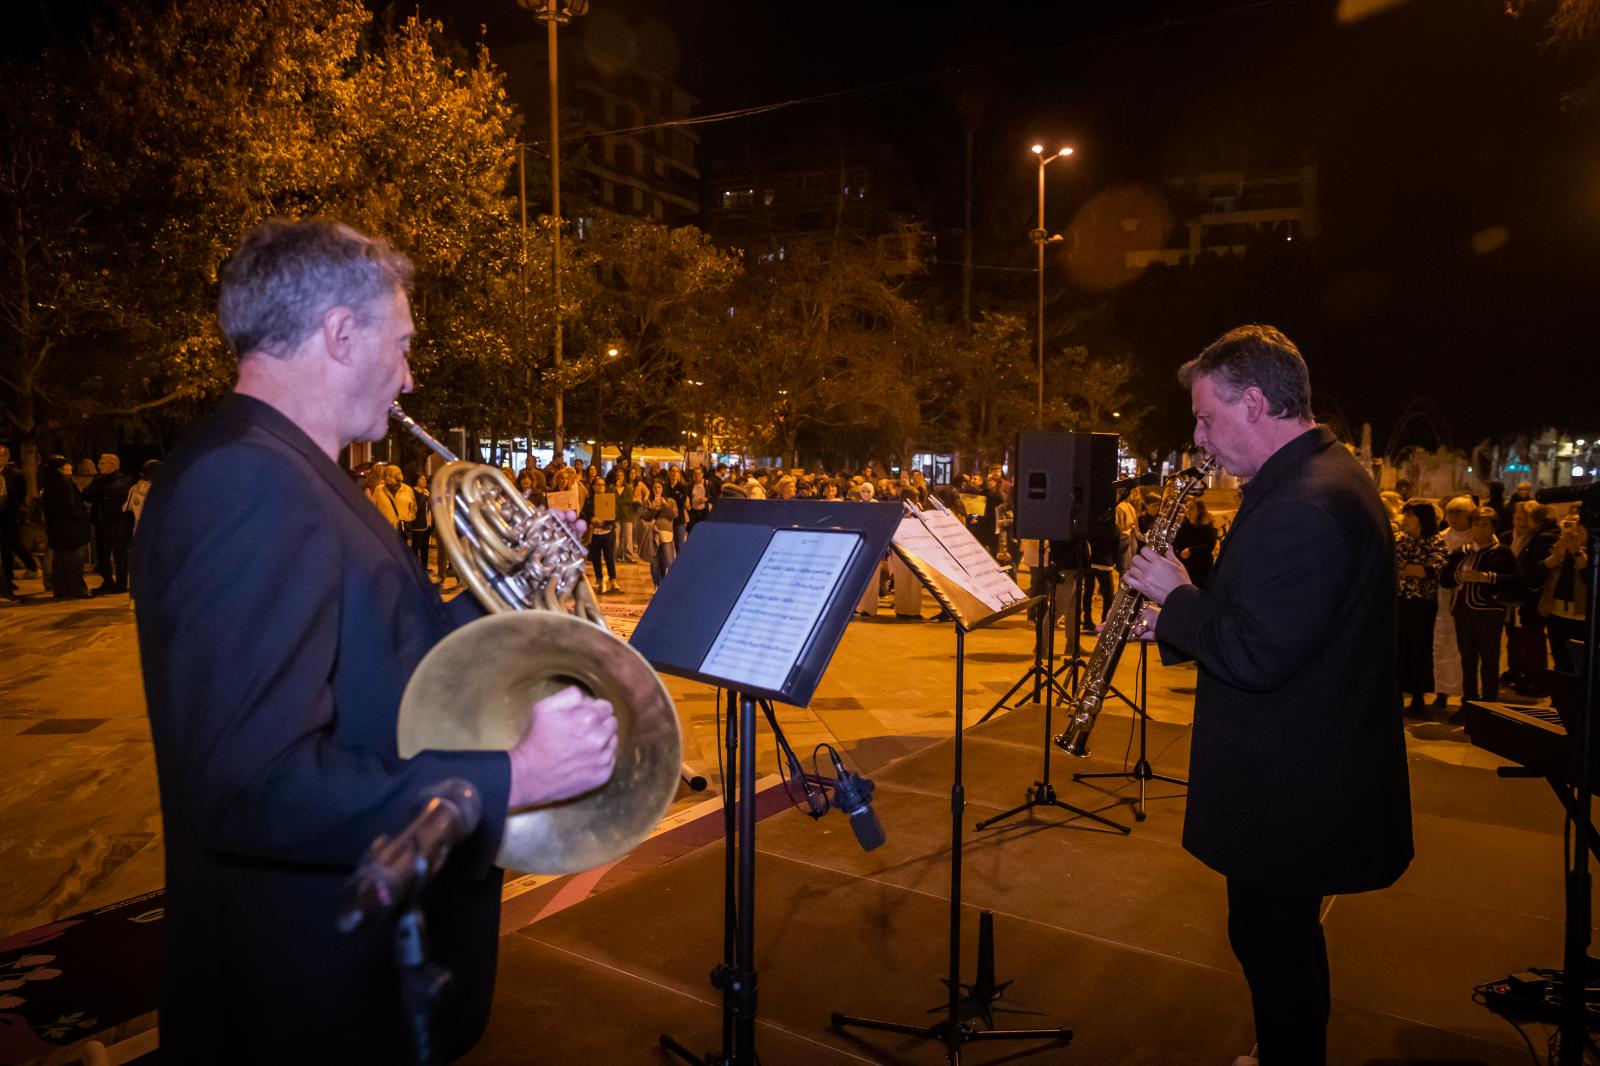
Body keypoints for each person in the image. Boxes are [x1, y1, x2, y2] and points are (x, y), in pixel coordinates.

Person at [132, 218, 618, 1064]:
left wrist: (514, 587)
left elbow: (390, 653)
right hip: (300, 1004)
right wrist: (518, 773)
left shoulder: (297, 471)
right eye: (399, 345)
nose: (409, 373)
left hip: (343, 986)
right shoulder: (249, 480)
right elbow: (254, 786)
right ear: (340, 333)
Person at [1123, 324, 1412, 1066]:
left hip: (1290, 785)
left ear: (1255, 401)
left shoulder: (1304, 505)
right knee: (1280, 938)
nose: (1199, 435)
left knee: (1271, 941)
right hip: (1304, 770)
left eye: (1207, 416)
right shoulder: (1318, 478)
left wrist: (1178, 597)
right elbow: (1272, 621)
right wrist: (1177, 627)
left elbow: (1255, 653)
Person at [1395, 501, 1446, 715]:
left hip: (1422, 603)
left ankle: (1418, 696)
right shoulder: (1400, 540)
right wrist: (1411, 569)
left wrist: (1405, 568)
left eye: (1410, 516)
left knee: (1419, 649)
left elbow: (1431, 571)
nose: (1405, 520)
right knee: (1399, 648)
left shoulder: (1435, 541)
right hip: (1400, 600)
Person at [41, 455, 92, 599]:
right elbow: (70, 505)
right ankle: (77, 589)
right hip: (70, 527)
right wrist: (81, 517)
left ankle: (61, 589)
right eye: (67, 465)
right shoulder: (64, 483)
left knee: (60, 560)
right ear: (60, 468)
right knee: (74, 560)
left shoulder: (49, 483)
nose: (70, 467)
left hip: (56, 527)